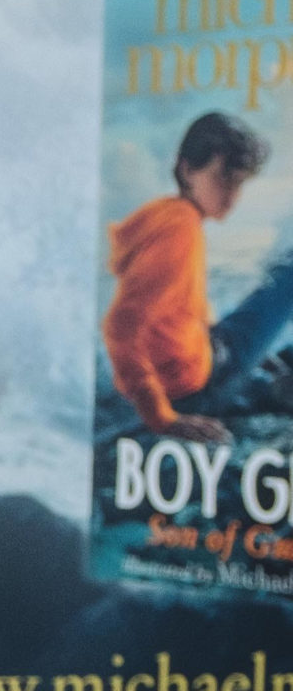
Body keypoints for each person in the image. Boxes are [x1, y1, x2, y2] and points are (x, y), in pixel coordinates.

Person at [103, 108, 293, 441]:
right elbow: (120, 327)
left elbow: (171, 306)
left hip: (200, 355)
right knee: (287, 278)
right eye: (224, 179)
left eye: (239, 183)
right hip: (200, 385)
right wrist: (162, 418)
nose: (232, 196)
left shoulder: (162, 214)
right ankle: (269, 384)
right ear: (187, 169)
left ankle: (267, 378)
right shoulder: (181, 229)